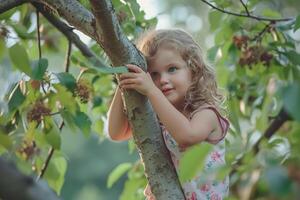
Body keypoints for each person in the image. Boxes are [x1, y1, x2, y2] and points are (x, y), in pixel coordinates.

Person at [107, 29, 229, 200]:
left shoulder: (206, 113)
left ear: (194, 70)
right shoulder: (160, 119)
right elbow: (116, 133)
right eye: (154, 75)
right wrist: (125, 83)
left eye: (172, 69)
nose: (162, 80)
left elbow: (187, 136)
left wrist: (151, 91)